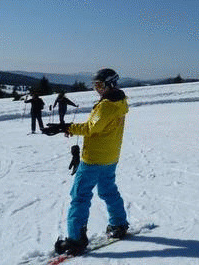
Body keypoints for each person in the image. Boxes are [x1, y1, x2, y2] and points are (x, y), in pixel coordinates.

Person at [51, 68, 130, 256]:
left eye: (100, 85)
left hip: (93, 159)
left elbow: (89, 128)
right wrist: (71, 128)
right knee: (108, 190)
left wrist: (66, 126)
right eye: (95, 85)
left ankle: (76, 239)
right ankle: (119, 223)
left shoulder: (105, 106)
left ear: (110, 83)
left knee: (80, 195)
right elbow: (98, 128)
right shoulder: (120, 102)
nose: (97, 89)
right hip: (110, 157)